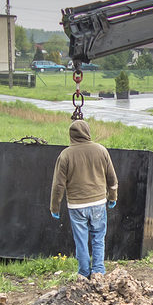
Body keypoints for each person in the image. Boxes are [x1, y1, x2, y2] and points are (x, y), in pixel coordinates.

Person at [49, 120, 118, 281]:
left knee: (81, 240)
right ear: (87, 132)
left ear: (71, 135)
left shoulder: (65, 155)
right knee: (98, 237)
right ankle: (98, 271)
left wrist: (55, 207)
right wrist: (112, 197)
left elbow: (58, 185)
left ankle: (83, 272)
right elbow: (112, 179)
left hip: (76, 205)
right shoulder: (101, 151)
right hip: (98, 203)